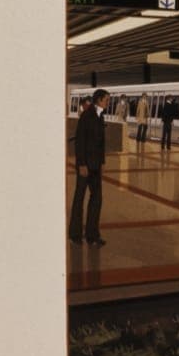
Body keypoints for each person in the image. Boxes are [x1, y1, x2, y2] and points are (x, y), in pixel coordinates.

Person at [69, 89, 111, 245]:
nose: (108, 103)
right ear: (99, 100)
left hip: (96, 166)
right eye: (106, 100)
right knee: (79, 199)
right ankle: (75, 235)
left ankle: (92, 236)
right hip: (85, 166)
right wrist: (81, 164)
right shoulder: (87, 116)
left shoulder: (101, 116)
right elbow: (80, 141)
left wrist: (102, 162)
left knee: (96, 199)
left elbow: (101, 143)